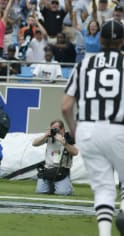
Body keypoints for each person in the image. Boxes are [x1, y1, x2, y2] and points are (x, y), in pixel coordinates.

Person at [62, 20, 124, 236]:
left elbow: (66, 106)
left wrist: (74, 129)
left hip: (88, 129)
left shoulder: (83, 65)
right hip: (118, 128)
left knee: (104, 189)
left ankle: (105, 233)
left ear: (100, 40)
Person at [32, 119, 78, 195]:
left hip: (61, 170)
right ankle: (52, 185)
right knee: (40, 191)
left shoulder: (68, 137)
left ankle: (68, 186)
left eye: (56, 129)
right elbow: (34, 144)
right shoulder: (49, 137)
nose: (54, 131)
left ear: (62, 129)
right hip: (47, 169)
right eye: (52, 129)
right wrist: (45, 135)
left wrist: (63, 142)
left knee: (63, 193)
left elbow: (75, 152)